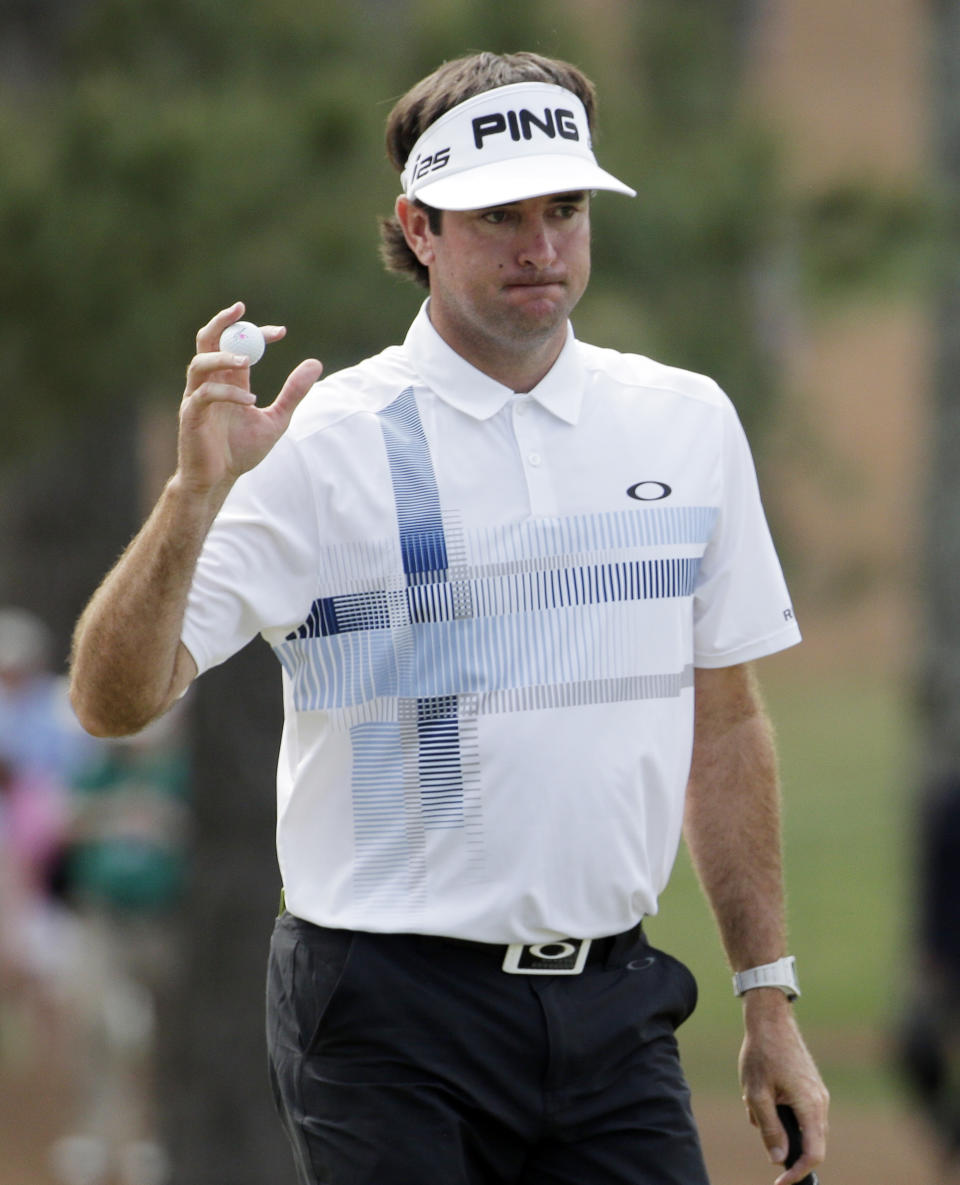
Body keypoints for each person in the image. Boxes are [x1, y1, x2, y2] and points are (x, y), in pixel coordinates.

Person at [69, 50, 828, 1185]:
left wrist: (769, 997)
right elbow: (112, 700)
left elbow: (725, 725)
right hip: (385, 1015)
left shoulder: (686, 422)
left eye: (565, 209)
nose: (542, 245)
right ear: (417, 228)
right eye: (498, 216)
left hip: (617, 1008)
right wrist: (192, 500)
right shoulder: (315, 443)